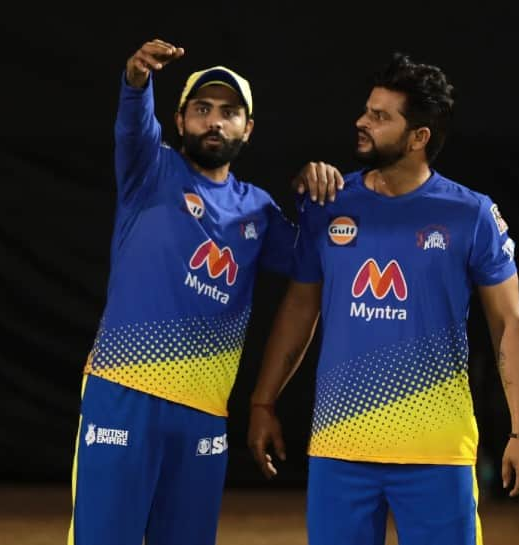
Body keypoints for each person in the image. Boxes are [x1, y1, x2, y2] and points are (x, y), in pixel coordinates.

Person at [247, 53, 519, 545]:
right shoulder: (329, 202)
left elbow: (508, 324)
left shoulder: (471, 214)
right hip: (339, 448)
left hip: (437, 452)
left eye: (380, 116)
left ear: (419, 137)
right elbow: (300, 307)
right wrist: (262, 402)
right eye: (367, 110)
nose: (361, 122)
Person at [68, 39, 340, 545]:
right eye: (202, 109)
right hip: (123, 394)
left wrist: (314, 192)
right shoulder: (150, 170)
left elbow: (316, 263)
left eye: (229, 112)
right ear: (179, 120)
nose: (214, 121)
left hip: (204, 414)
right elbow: (133, 122)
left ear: (248, 129)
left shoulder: (258, 211)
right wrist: (136, 79)